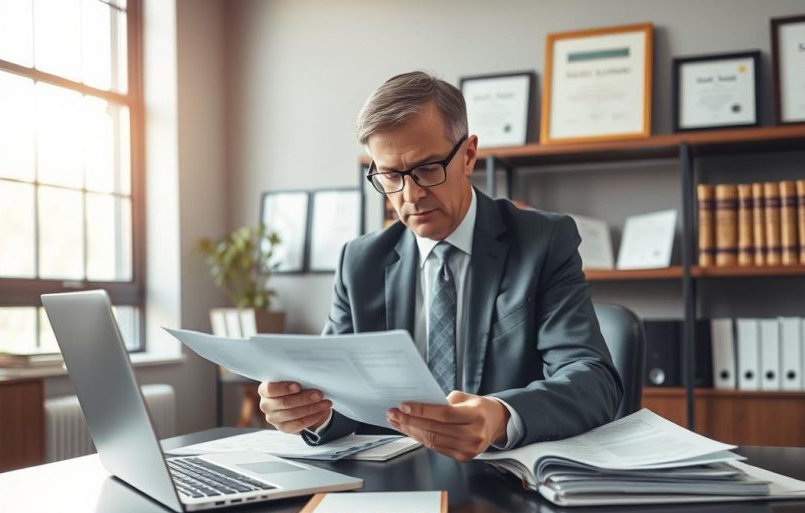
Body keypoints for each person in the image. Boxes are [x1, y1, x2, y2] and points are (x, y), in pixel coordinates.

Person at [258, 71, 622, 461]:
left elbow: (592, 380)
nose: (411, 195)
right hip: (392, 483)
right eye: (391, 176)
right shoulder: (360, 262)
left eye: (428, 169)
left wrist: (500, 417)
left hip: (506, 481)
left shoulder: (543, 241)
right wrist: (310, 411)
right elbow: (337, 390)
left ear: (467, 156)